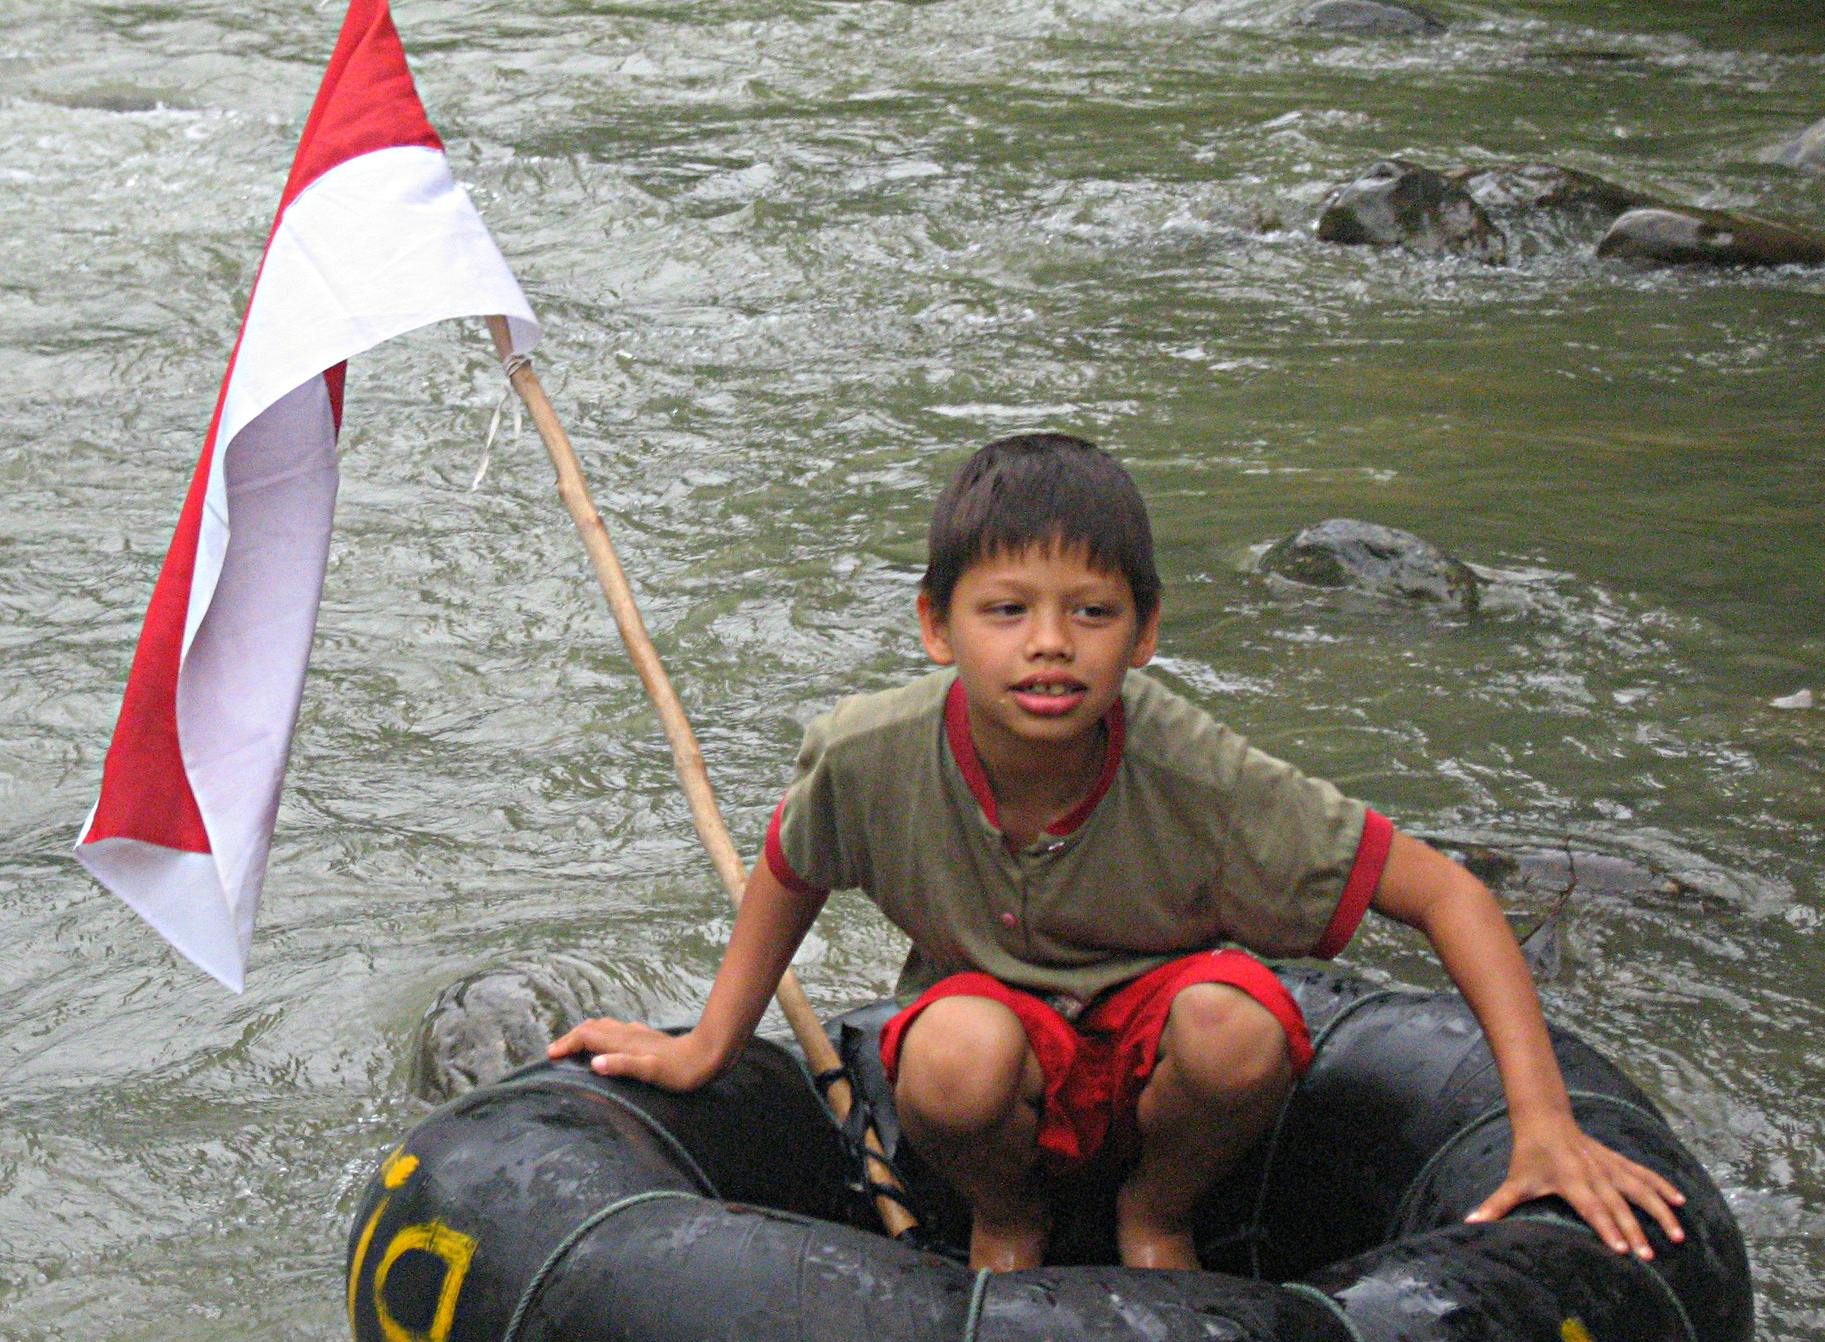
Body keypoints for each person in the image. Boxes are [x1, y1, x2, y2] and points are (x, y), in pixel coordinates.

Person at [548, 432, 1686, 1273]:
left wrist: (1539, 1123)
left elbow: (1446, 894)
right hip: (989, 1050)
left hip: (1162, 1056)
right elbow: (790, 868)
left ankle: (1159, 1213)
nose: (1048, 644)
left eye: (1090, 613)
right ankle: (1007, 1218)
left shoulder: (1195, 770)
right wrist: (709, 1041)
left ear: (1143, 631)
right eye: (1005, 611)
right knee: (945, 1052)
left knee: (1238, 1023)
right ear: (935, 625)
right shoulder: (869, 754)